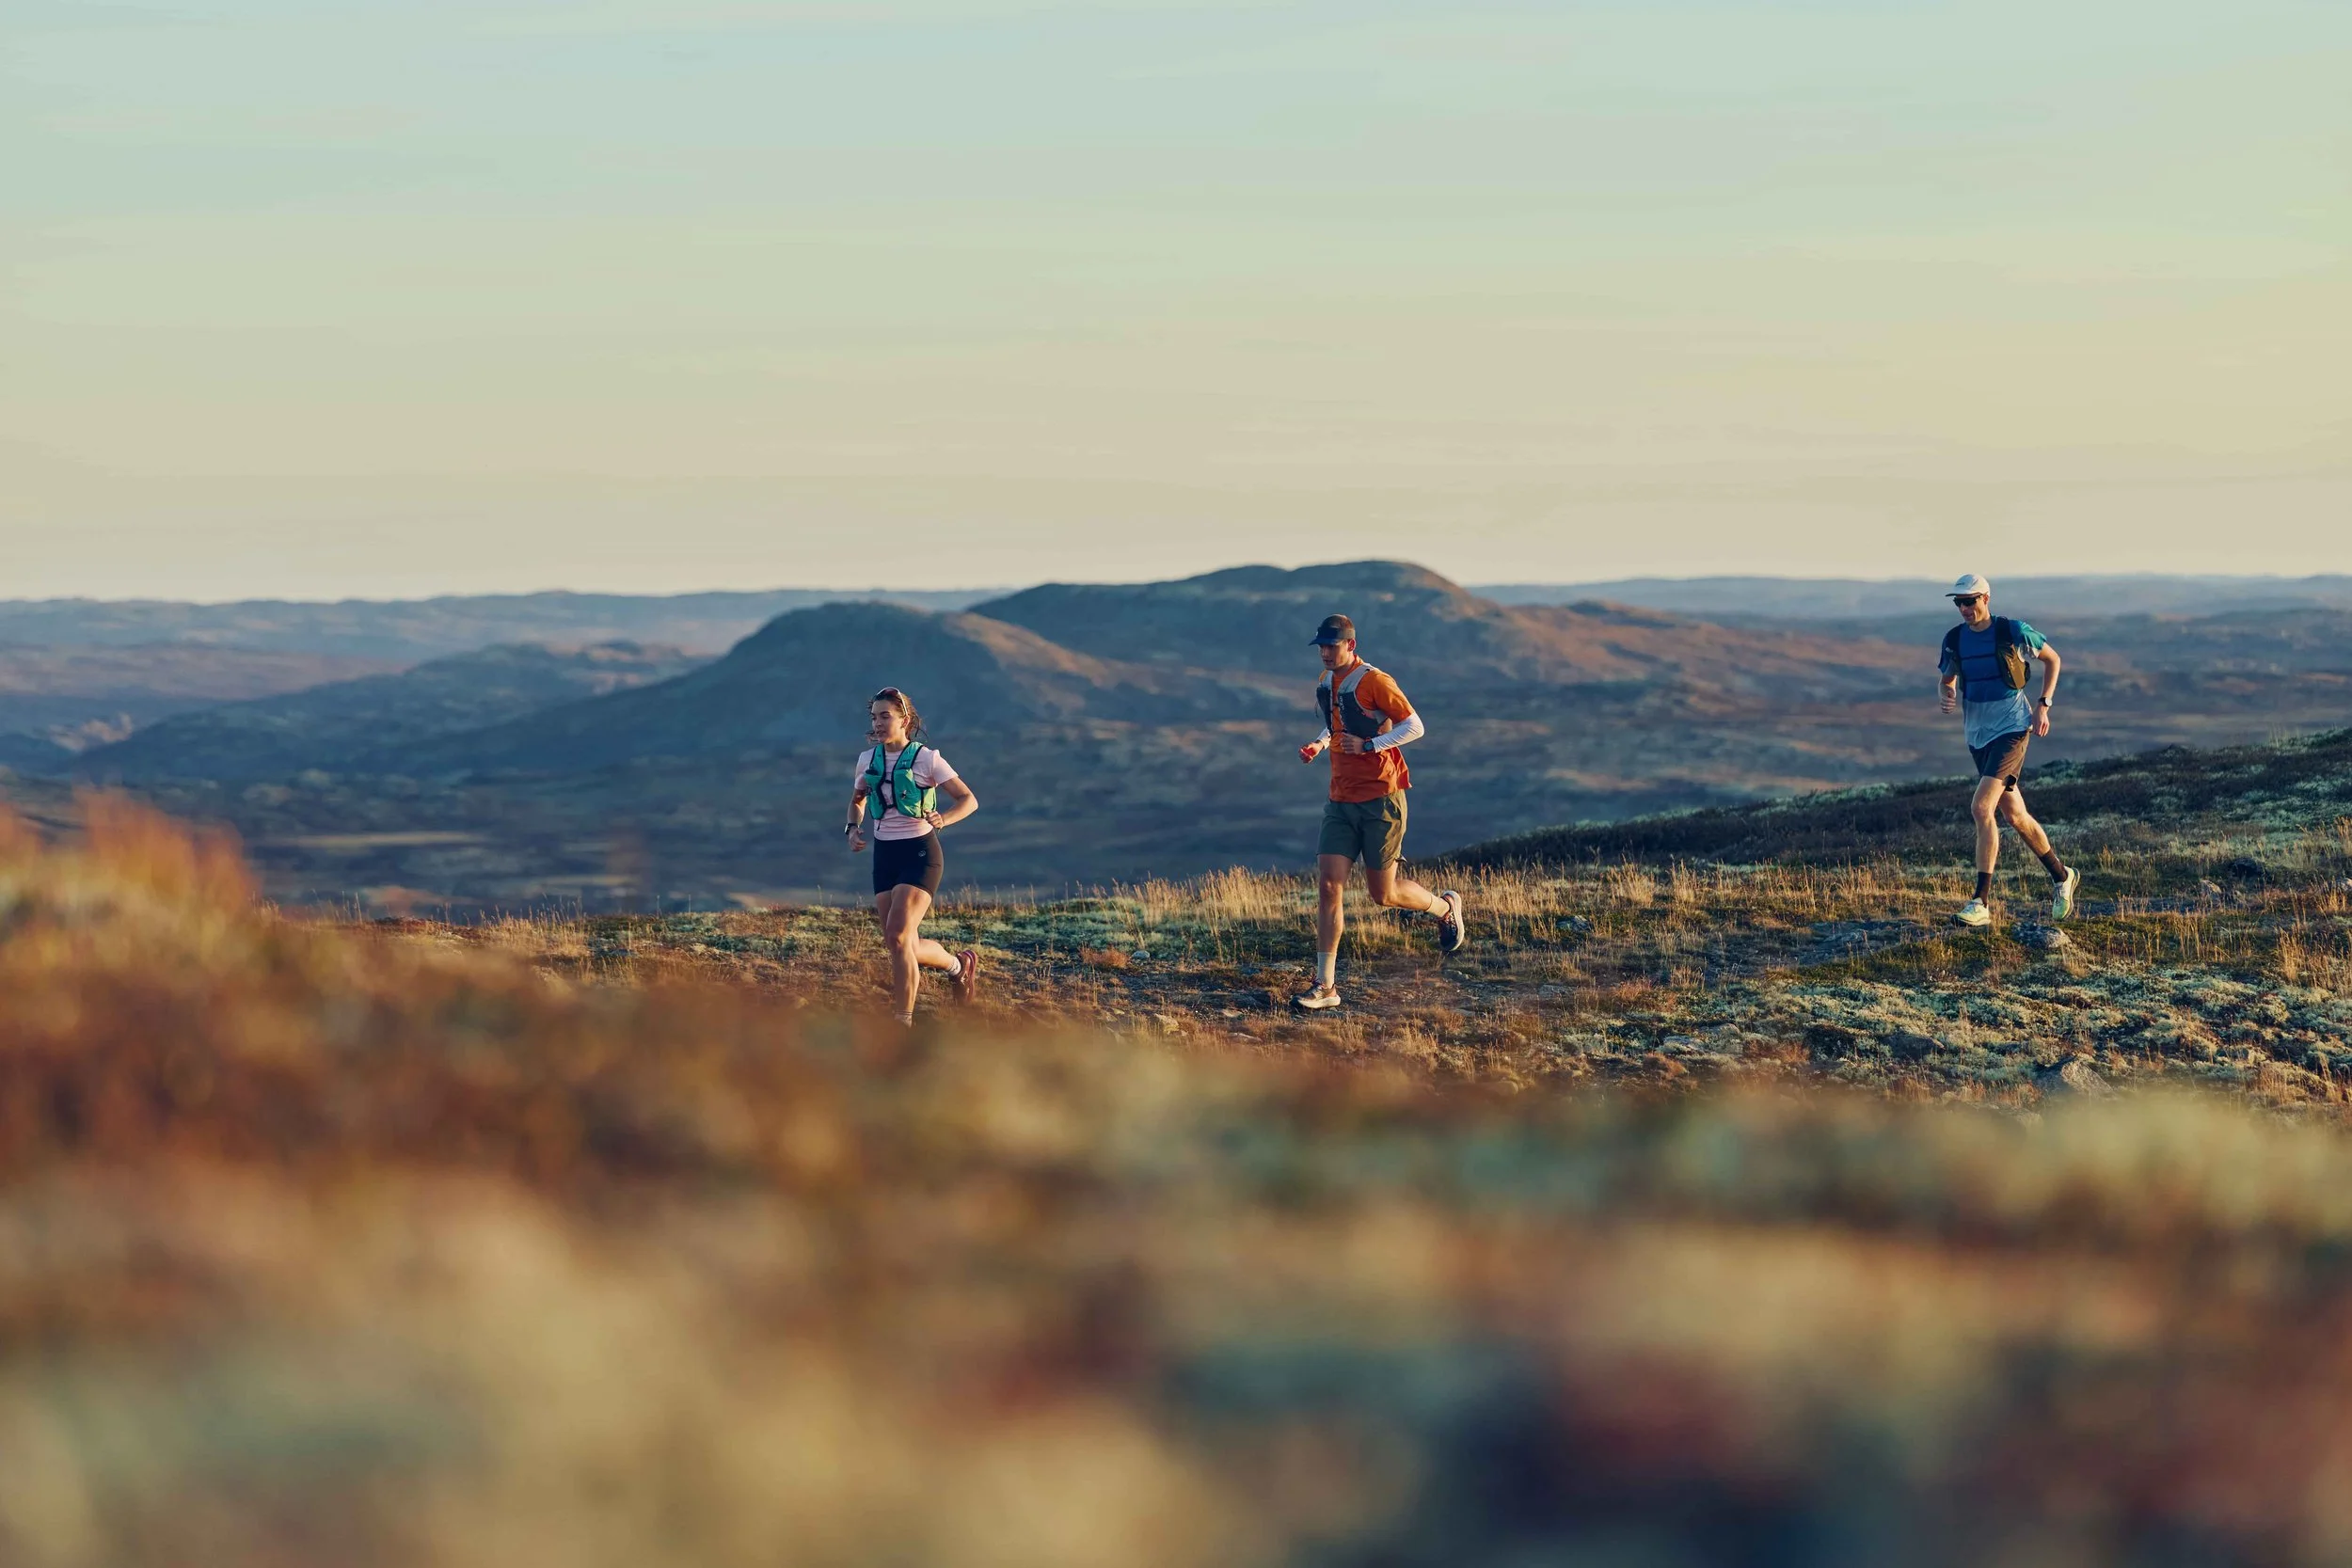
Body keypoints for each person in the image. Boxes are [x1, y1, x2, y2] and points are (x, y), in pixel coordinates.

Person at [1292, 614, 1465, 1011]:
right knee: (1329, 886)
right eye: (1320, 647)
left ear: (1351, 645)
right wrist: (1319, 746)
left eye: (1331, 647)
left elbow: (1415, 726)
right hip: (1340, 800)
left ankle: (1444, 908)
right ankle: (1325, 986)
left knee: (1382, 894)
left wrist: (1371, 747)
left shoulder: (1375, 681)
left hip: (1381, 799)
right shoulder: (1326, 681)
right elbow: (1336, 726)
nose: (1324, 653)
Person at [1937, 574, 2078, 927]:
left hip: (2013, 728)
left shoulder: (2012, 630)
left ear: (1986, 597)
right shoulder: (1954, 639)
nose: (1965, 608)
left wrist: (2044, 704)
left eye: (1970, 601)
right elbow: (1947, 678)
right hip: (1977, 733)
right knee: (2014, 815)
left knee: (1981, 807)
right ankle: (2063, 877)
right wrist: (1946, 693)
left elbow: (2053, 659)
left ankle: (1980, 902)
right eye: (1959, 602)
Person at [844, 687, 979, 1024]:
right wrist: (852, 828)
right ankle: (958, 965)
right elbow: (857, 800)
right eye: (874, 717)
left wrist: (943, 818)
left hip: (920, 852)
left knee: (901, 936)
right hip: (884, 854)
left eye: (885, 716)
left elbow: (968, 799)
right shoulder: (867, 760)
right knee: (899, 942)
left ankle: (902, 1022)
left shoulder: (926, 759)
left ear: (904, 720)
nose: (877, 723)